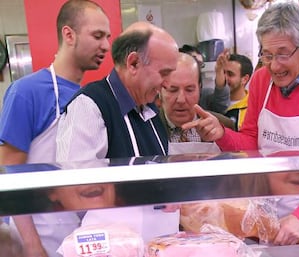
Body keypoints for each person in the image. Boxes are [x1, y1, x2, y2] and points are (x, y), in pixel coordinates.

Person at [183, 2, 299, 245]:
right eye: (267, 55)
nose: (274, 66)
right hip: (266, 214)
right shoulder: (260, 81)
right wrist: (221, 133)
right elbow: (251, 144)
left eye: (283, 54)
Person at [0, 1, 111, 256]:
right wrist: (32, 245)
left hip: (81, 236)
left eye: (107, 37)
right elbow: (9, 174)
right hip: (40, 236)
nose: (105, 45)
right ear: (69, 34)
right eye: (97, 36)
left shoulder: (90, 98)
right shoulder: (27, 93)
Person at [56, 21, 180, 242]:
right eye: (164, 73)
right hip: (115, 246)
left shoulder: (151, 109)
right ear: (133, 63)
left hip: (160, 243)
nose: (167, 84)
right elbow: (75, 189)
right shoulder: (90, 105)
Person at [158, 52, 226, 154]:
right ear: (159, 90)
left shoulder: (223, 126)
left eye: (189, 90)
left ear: (200, 88)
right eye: (173, 90)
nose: (181, 99)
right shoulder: (146, 127)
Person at [179, 44, 230, 114]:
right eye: (173, 90)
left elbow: (221, 106)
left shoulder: (204, 94)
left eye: (200, 64)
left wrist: (219, 71)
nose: (181, 99)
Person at [215, 53, 253, 131]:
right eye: (223, 72)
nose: (224, 77)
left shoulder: (251, 109)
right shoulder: (211, 101)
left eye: (230, 74)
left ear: (244, 79)